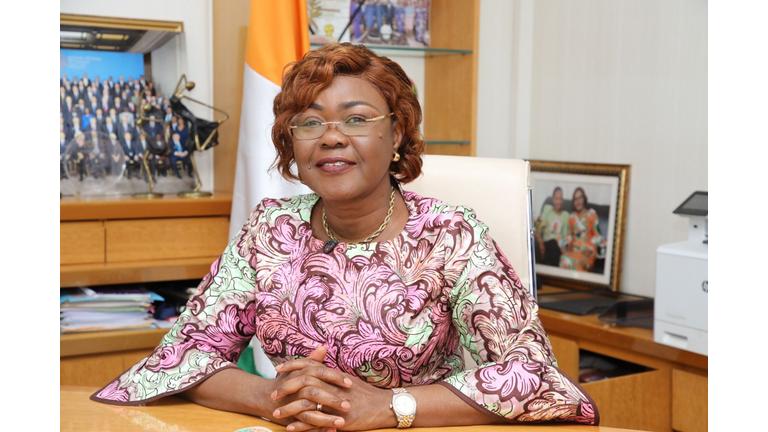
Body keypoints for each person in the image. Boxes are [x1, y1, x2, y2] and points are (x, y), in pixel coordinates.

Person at [92, 43, 598, 429]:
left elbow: (531, 373)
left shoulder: (451, 236)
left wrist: (389, 406)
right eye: (310, 122)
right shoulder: (270, 230)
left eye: (356, 119)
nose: (331, 136)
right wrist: (274, 398)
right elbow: (183, 356)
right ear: (291, 145)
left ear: (396, 134)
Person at [559, 187, 604, 271]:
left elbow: (598, 236)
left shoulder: (592, 214)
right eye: (575, 199)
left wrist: (590, 249)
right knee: (564, 259)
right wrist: (567, 246)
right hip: (574, 250)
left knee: (579, 263)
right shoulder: (571, 217)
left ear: (584, 199)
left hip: (588, 251)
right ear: (573, 202)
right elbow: (569, 236)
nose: (578, 201)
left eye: (580, 198)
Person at [534, 186, 570, 266]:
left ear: (562, 200)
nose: (558, 202)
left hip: (559, 247)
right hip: (547, 243)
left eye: (560, 199)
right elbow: (538, 227)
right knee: (553, 243)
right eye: (556, 199)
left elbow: (565, 236)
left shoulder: (566, 215)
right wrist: (540, 243)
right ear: (553, 199)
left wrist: (565, 251)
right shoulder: (547, 209)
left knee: (555, 245)